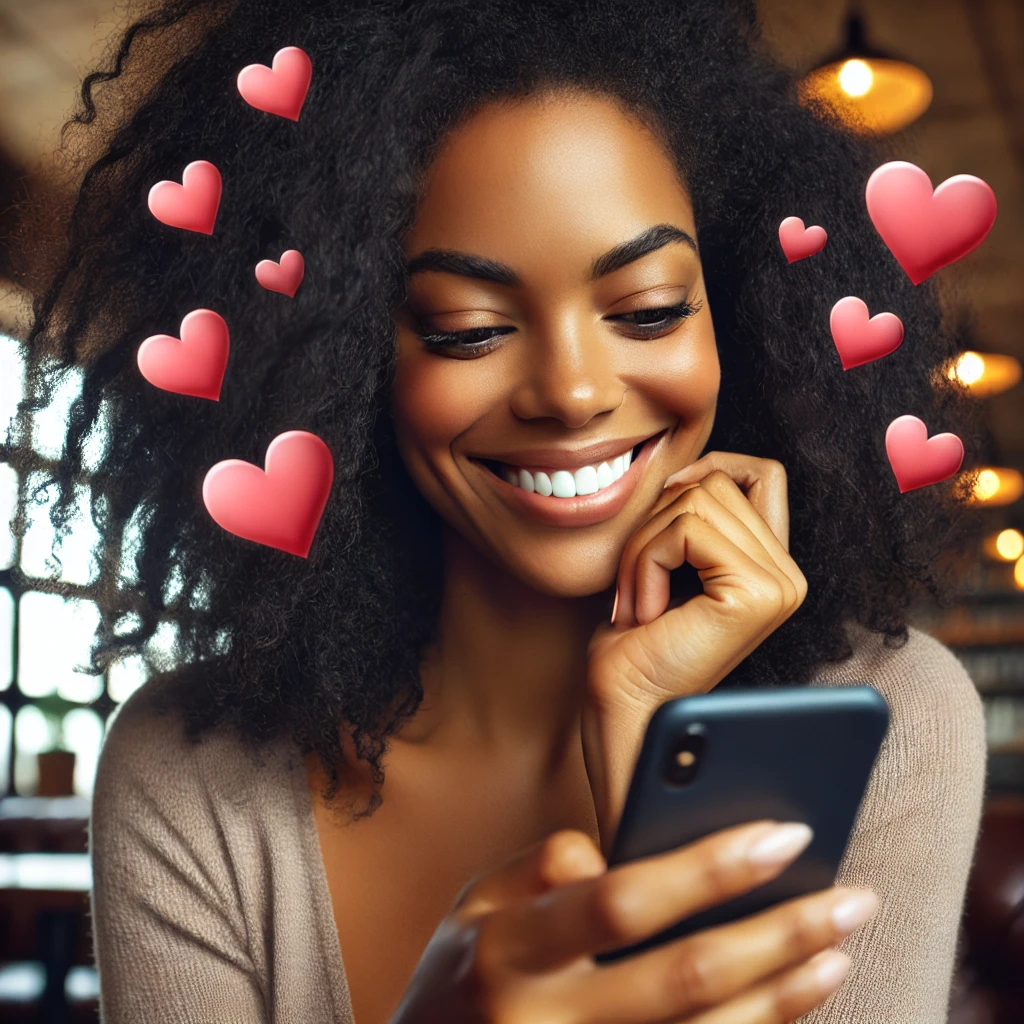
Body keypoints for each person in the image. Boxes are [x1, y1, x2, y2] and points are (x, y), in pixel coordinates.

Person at [4, 0, 988, 1021]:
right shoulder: (189, 778)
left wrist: (654, 762)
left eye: (649, 311)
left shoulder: (893, 721)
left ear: (737, 315)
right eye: (467, 329)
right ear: (336, 360)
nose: (572, 391)